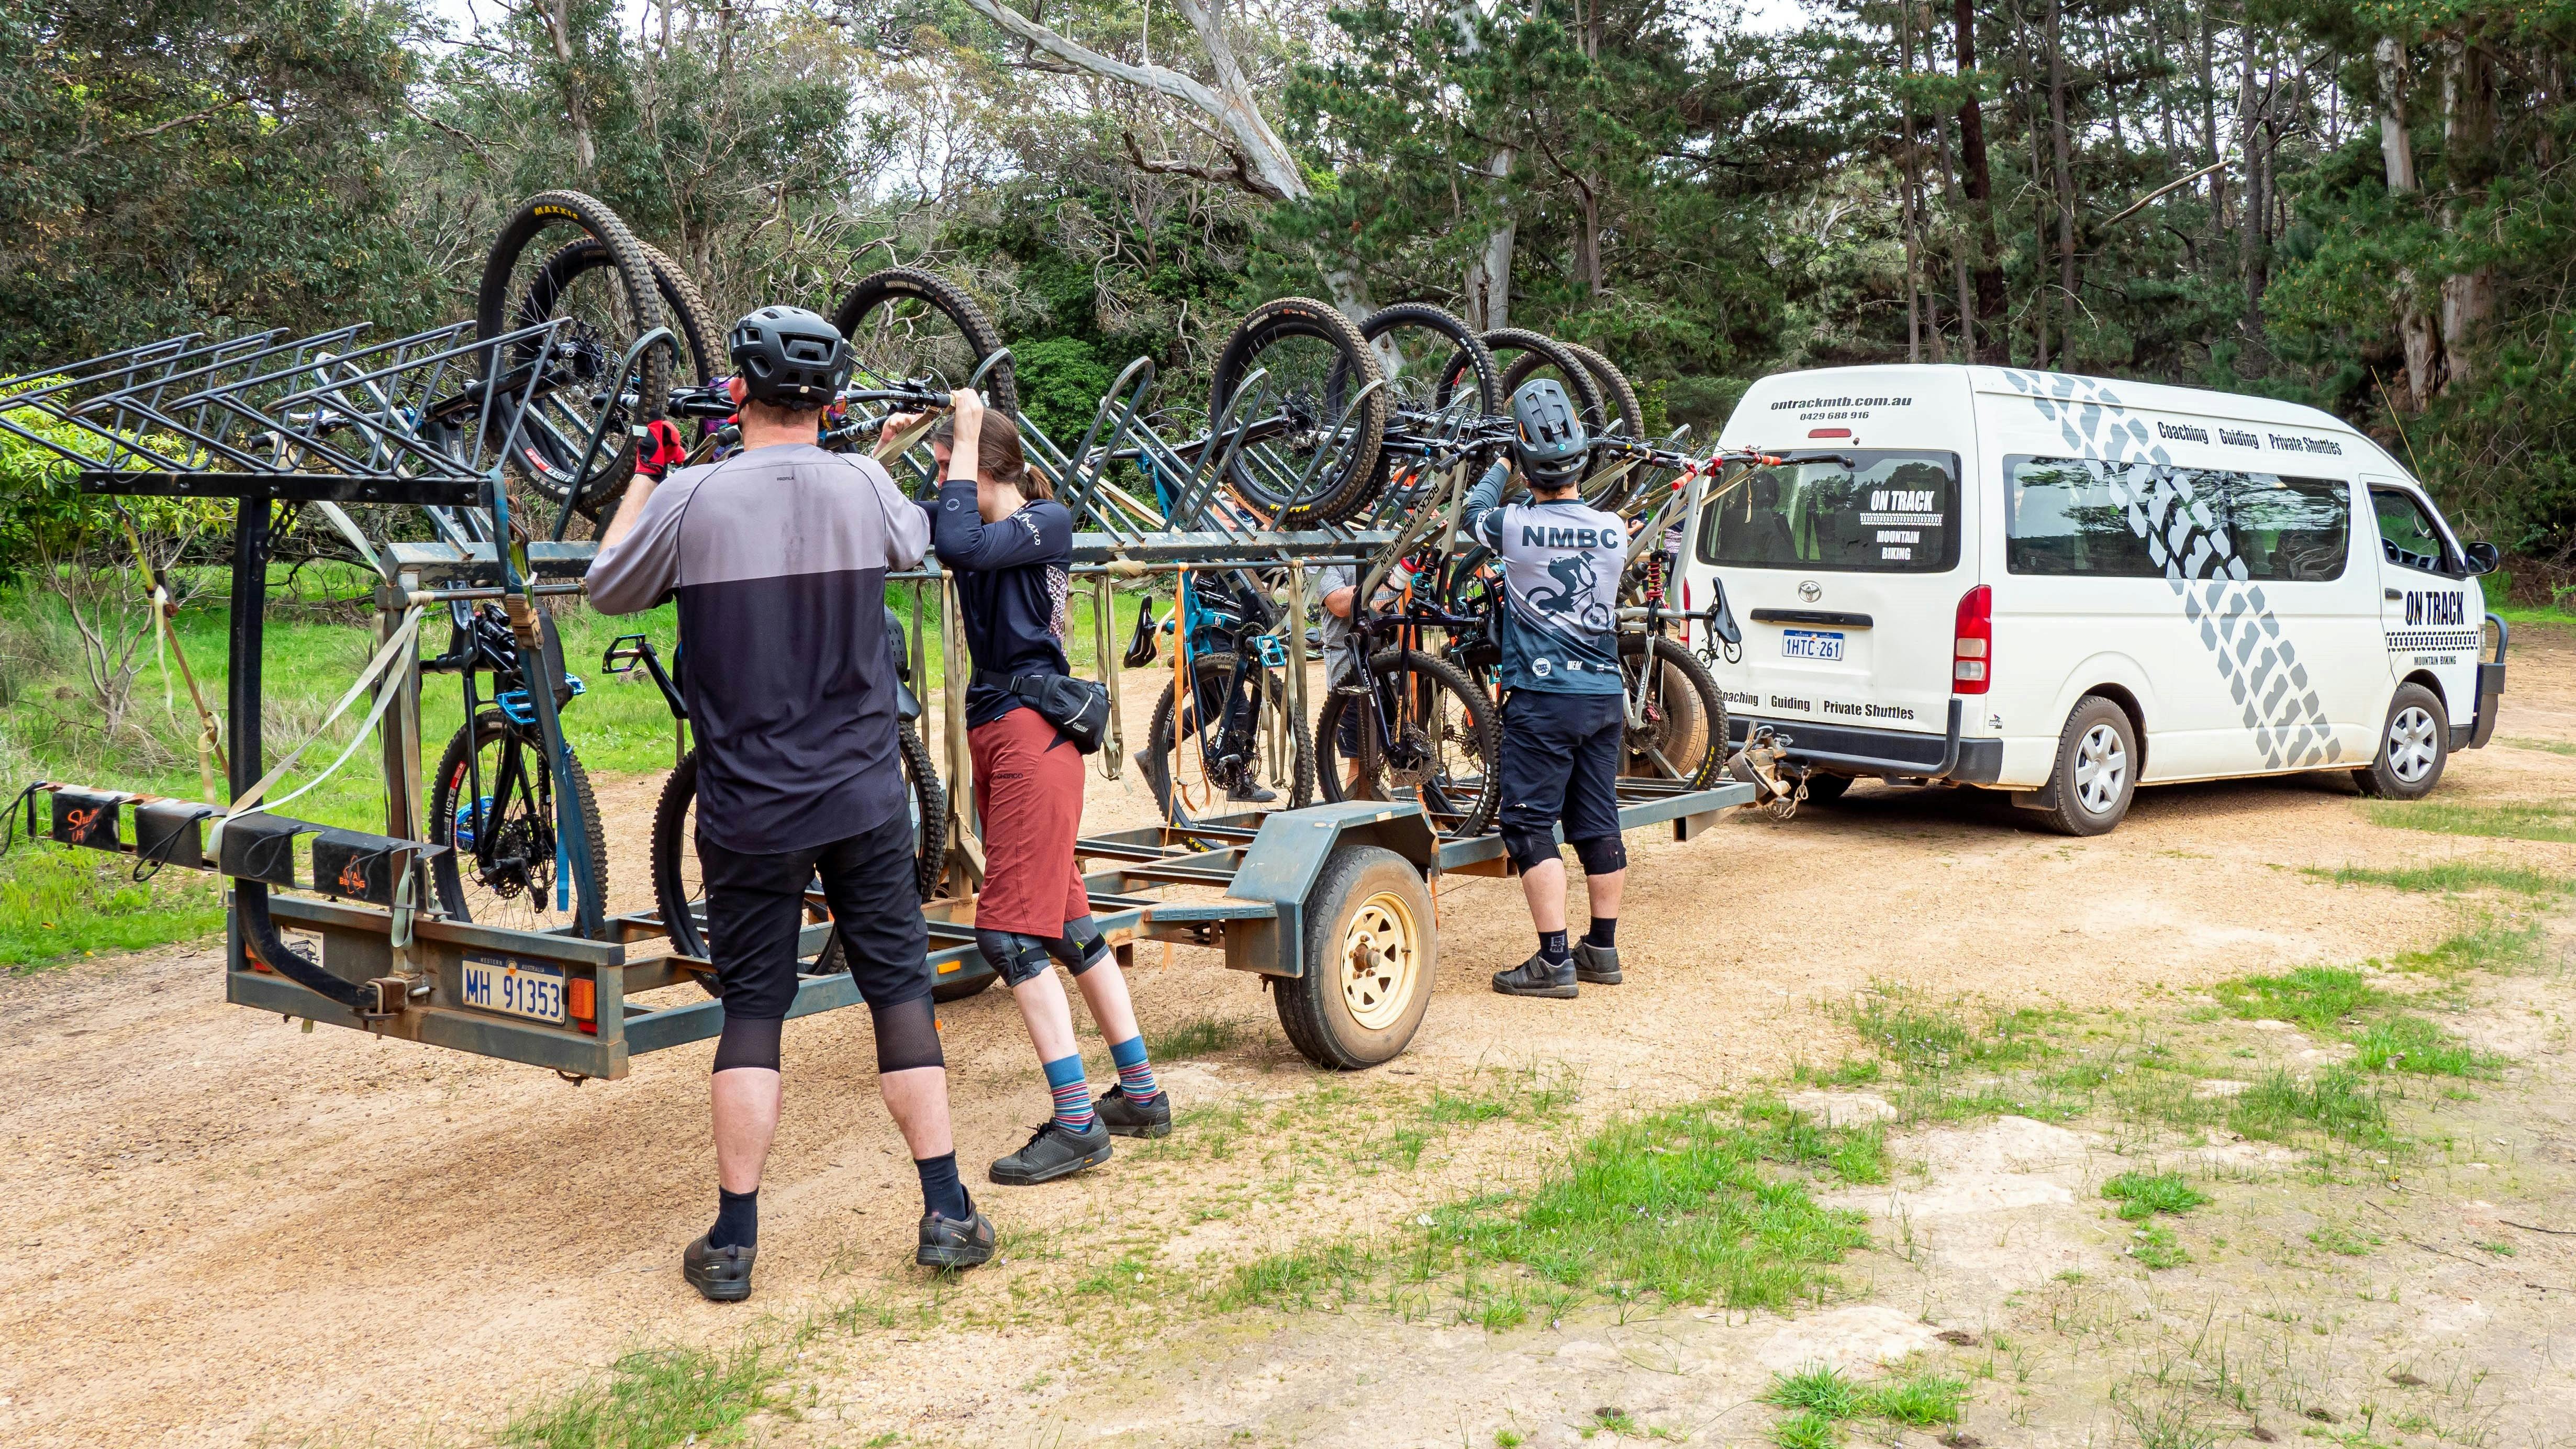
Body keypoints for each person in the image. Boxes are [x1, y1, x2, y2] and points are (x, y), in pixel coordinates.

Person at [587, 305, 995, 1301]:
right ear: (834, 402)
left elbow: (605, 585)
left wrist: (648, 467)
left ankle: (733, 1242)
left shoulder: (691, 493)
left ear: (738, 394)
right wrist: (923, 446)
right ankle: (946, 1209)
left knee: (754, 1014)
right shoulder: (862, 480)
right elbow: (914, 539)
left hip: (746, 807)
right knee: (899, 992)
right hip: (863, 792)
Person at [894, 389, 1174, 1186]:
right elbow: (915, 525)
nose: (939, 476)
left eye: (947, 465)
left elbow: (958, 546)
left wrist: (969, 426)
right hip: (1008, 736)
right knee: (1065, 920)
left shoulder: (1045, 523)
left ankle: (1078, 1122)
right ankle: (1142, 1093)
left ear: (985, 464)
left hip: (1029, 739)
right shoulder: (976, 521)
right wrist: (894, 446)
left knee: (1009, 936)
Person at [1460, 378, 1630, 999]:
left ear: (1529, 466)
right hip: (1603, 694)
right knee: (1597, 823)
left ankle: (1554, 959)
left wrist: (1498, 463)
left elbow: (1472, 515)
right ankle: (1602, 949)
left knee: (1531, 825)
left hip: (1543, 696)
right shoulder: (1613, 528)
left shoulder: (1515, 526)